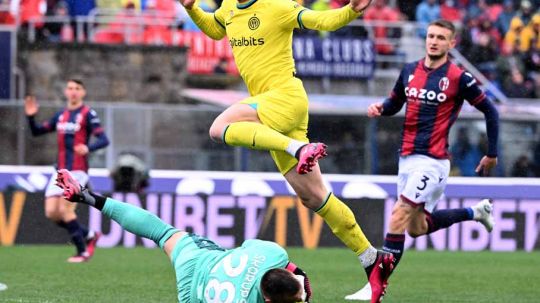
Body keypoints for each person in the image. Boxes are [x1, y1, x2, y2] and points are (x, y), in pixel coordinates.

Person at [178, 0, 394, 301]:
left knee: (219, 128)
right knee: (314, 197)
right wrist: (192, 9)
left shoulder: (276, 6)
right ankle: (372, 259)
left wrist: (352, 11)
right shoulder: (229, 7)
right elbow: (215, 30)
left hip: (284, 98)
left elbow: (320, 22)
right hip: (268, 106)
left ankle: (298, 147)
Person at [348, 19, 499, 300]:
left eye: (441, 37)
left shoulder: (459, 77)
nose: (434, 41)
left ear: (451, 44)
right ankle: (476, 213)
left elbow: (491, 110)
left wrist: (491, 153)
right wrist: (381, 108)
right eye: (431, 36)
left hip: (433, 161)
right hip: (406, 159)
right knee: (417, 228)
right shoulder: (409, 71)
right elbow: (395, 104)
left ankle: (375, 287)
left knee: (399, 213)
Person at [56, 169, 311, 302]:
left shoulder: (271, 253)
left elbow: (298, 274)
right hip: (192, 294)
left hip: (200, 258)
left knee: (161, 232)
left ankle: (87, 196)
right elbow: (303, 278)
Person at [25, 79, 110, 263]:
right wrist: (31, 117)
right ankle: (89, 234)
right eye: (70, 88)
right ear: (66, 92)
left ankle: (82, 252)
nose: (73, 92)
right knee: (51, 213)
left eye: (77, 88)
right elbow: (37, 131)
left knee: (65, 210)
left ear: (83, 92)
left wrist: (89, 148)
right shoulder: (61, 115)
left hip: (78, 170)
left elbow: (104, 139)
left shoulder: (88, 114)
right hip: (60, 171)